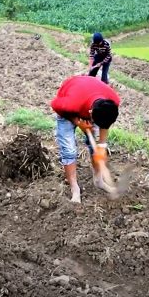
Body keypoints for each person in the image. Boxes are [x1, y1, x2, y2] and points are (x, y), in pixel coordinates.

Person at [51, 75, 120, 203]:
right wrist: (78, 122)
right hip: (69, 104)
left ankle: (99, 181)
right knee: (69, 150)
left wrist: (102, 146)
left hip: (88, 95)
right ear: (90, 112)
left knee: (97, 149)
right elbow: (55, 105)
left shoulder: (112, 102)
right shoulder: (70, 103)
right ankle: (74, 189)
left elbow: (105, 124)